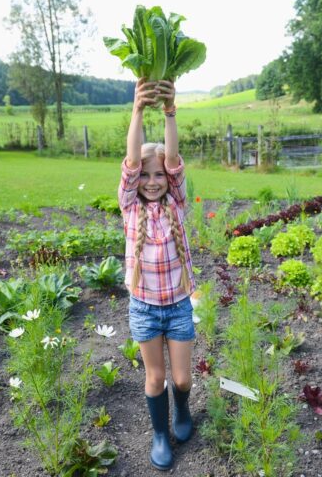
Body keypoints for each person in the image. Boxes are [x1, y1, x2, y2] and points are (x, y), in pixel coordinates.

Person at [118, 78, 196, 471]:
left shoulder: (177, 203)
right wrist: (137, 109)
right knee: (156, 378)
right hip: (145, 309)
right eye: (145, 176)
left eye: (159, 175)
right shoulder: (131, 207)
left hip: (179, 306)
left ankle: (183, 412)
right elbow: (132, 164)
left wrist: (169, 112)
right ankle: (161, 433)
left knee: (181, 380)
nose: (151, 181)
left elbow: (174, 161)